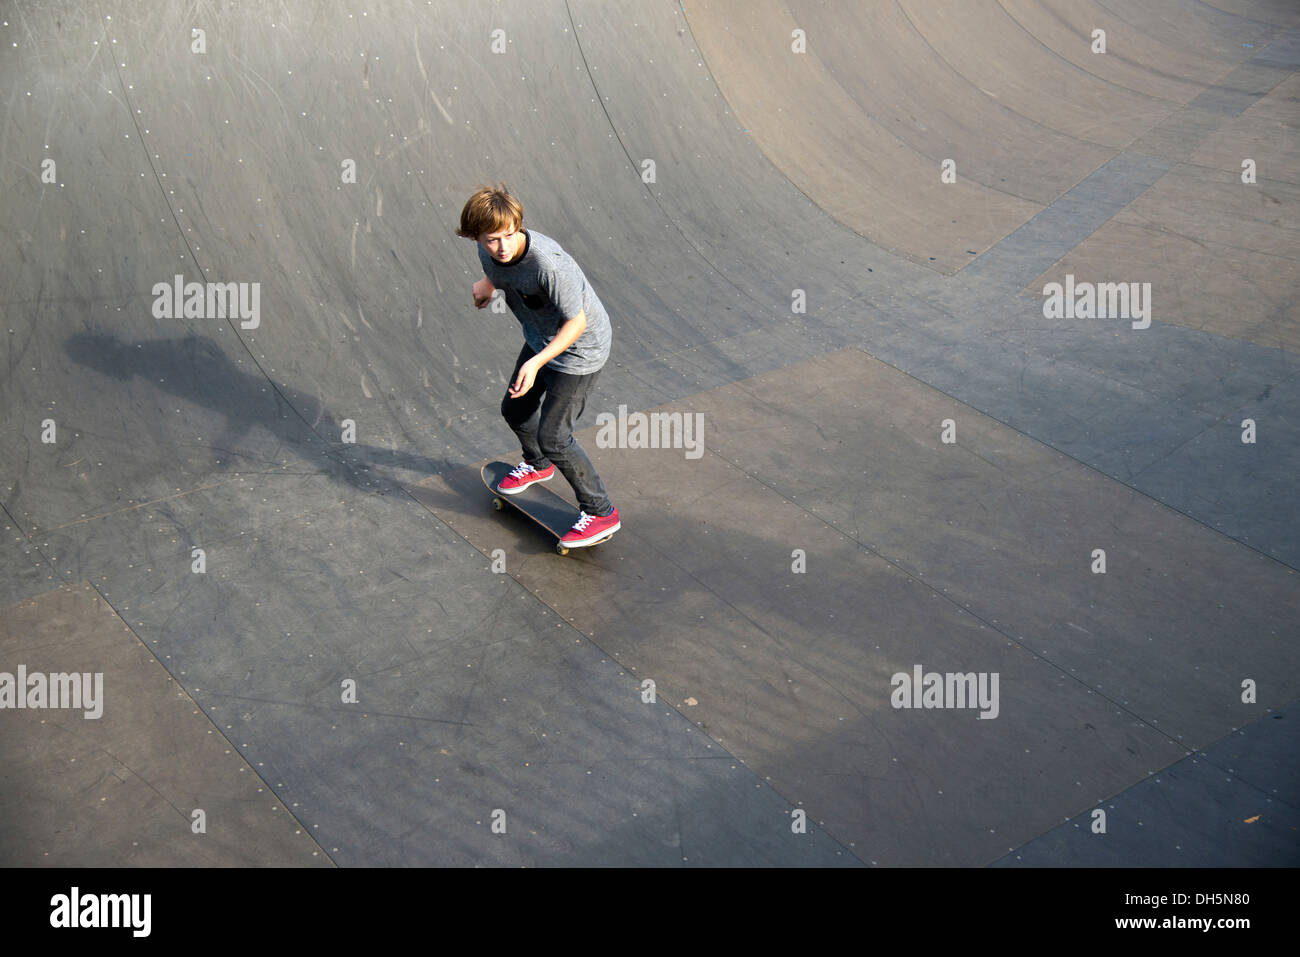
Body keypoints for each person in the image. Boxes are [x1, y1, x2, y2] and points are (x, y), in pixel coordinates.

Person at [457, 184, 620, 547]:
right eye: (491, 240)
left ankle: (600, 511)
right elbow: (504, 271)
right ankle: (537, 464)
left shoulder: (548, 263)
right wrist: (487, 284)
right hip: (541, 342)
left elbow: (576, 323)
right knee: (515, 410)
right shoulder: (490, 256)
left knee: (555, 436)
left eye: (509, 236)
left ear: (519, 226)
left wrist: (536, 363)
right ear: (476, 237)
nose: (502, 247)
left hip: (580, 351)